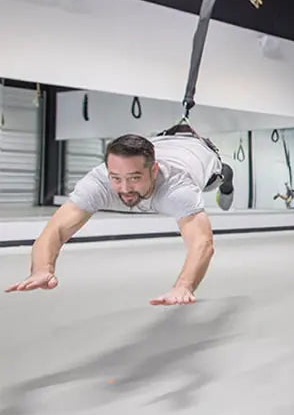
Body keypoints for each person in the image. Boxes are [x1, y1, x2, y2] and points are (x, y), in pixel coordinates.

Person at [4, 128, 234, 306]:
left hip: (203, 154)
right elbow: (55, 230)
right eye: (116, 177)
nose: (124, 188)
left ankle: (228, 180)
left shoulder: (177, 189)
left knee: (220, 177)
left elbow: (202, 244)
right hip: (164, 141)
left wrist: (185, 286)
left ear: (154, 170)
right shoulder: (98, 183)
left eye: (135, 178)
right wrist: (42, 268)